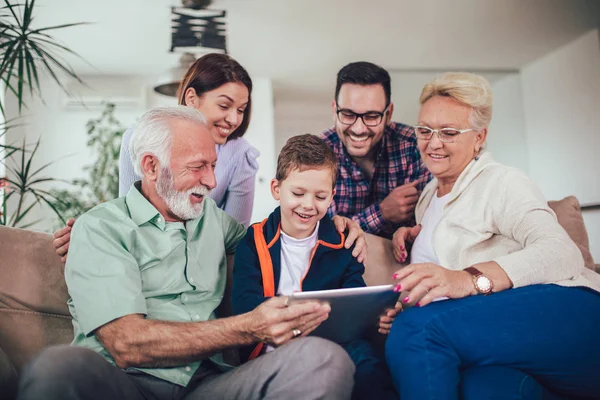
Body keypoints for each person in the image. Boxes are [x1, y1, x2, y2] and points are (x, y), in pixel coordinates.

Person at [17, 107, 357, 400]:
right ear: (151, 166)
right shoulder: (100, 228)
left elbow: (270, 241)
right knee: (57, 367)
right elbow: (126, 343)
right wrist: (249, 327)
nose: (211, 182)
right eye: (198, 167)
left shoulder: (212, 218)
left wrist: (334, 225)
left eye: (213, 165)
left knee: (324, 359)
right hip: (125, 384)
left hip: (207, 385)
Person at [385, 72, 600, 399]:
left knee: (418, 331)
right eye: (425, 130)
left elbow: (562, 252)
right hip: (504, 337)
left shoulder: (501, 182)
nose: (433, 142)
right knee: (486, 388)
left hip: (571, 310)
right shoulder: (427, 197)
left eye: (449, 132)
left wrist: (466, 280)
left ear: (480, 137)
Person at [231, 134, 400, 400]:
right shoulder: (254, 241)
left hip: (336, 342)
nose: (309, 205)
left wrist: (380, 314)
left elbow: (355, 297)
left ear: (332, 196)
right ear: (276, 189)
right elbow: (243, 305)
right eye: (298, 193)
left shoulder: (343, 241)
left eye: (320, 196)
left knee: (368, 362)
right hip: (272, 346)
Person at [53, 53, 259, 262]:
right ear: (191, 98)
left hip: (197, 264)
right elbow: (128, 213)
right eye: (224, 106)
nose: (234, 119)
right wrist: (96, 232)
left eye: (241, 110)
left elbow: (232, 241)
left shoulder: (241, 156)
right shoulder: (138, 138)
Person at [321, 61, 433, 239]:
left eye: (372, 116)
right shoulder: (319, 153)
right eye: (348, 115)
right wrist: (381, 213)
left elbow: (427, 225)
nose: (358, 129)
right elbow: (323, 235)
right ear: (335, 111)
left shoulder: (415, 145)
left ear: (388, 114)